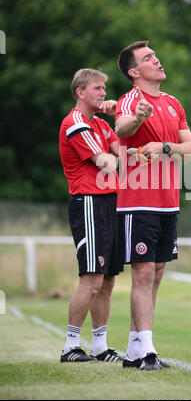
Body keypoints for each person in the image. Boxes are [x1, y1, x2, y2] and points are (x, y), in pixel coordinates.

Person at [115, 41, 191, 370]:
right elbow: (121, 127)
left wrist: (163, 146)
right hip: (138, 201)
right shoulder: (130, 101)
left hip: (168, 201)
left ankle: (135, 348)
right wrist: (137, 119)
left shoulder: (172, 103)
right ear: (135, 73)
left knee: (158, 272)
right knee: (143, 272)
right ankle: (147, 350)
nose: (157, 60)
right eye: (148, 58)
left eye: (155, 56)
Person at [59, 68, 123, 362]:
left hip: (111, 202)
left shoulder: (100, 124)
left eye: (103, 89)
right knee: (92, 279)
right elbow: (106, 161)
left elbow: (123, 151)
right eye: (97, 88)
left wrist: (122, 117)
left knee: (108, 280)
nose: (103, 93)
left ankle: (99, 346)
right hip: (89, 202)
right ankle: (70, 346)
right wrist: (116, 155)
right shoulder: (75, 124)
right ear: (80, 92)